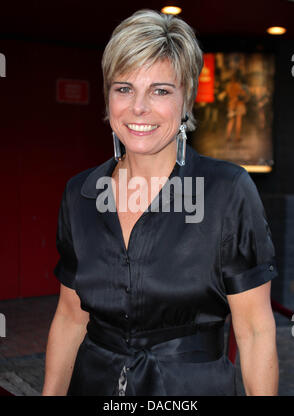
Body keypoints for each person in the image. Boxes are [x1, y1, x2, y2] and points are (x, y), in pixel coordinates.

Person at [42, 9, 279, 396]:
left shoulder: (227, 191)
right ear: (108, 97)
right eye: (124, 88)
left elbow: (254, 331)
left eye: (160, 90)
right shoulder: (80, 194)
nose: (139, 108)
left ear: (186, 99)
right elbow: (70, 316)